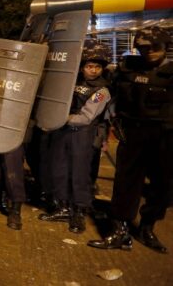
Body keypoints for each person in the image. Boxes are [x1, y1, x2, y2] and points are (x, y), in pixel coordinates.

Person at [88, 27, 172, 253]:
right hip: (132, 134)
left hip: (165, 137)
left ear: (166, 47)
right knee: (126, 185)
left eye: (155, 47)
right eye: (144, 48)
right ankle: (120, 231)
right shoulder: (126, 69)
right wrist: (109, 123)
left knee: (163, 186)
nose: (150, 52)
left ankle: (147, 226)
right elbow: (107, 94)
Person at [38, 39, 111, 234]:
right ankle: (62, 207)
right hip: (63, 133)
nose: (93, 70)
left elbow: (87, 117)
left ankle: (78, 212)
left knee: (80, 174)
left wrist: (60, 118)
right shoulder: (72, 81)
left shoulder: (101, 90)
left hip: (82, 135)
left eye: (97, 67)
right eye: (89, 66)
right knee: (60, 169)